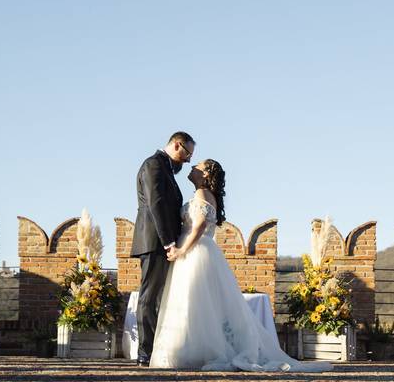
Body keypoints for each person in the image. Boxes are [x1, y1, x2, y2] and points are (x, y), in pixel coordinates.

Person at [150, 159, 333, 373]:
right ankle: (192, 349)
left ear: (207, 174)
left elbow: (199, 225)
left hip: (195, 250)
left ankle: (197, 350)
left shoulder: (202, 194)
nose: (192, 168)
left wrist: (182, 250)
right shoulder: (200, 195)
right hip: (195, 249)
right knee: (196, 301)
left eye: (197, 166)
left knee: (195, 299)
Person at [130, 131, 195, 367]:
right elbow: (156, 204)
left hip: (162, 242)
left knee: (158, 297)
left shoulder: (166, 168)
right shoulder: (153, 165)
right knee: (149, 297)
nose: (187, 161)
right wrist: (169, 241)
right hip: (156, 242)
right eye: (187, 154)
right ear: (177, 145)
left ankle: (156, 349)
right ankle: (145, 353)